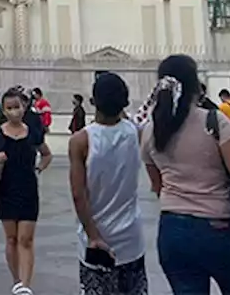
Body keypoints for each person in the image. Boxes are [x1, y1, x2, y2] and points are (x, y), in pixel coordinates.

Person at [140, 55, 230, 295]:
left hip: (173, 229)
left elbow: (157, 185)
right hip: (220, 227)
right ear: (195, 85)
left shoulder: (151, 129)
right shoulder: (213, 121)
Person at [70, 72, 147, 295]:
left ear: (93, 102)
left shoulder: (81, 140)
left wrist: (93, 235)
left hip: (96, 239)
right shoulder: (135, 133)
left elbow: (78, 194)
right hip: (131, 237)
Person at [0, 87, 52, 295]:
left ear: (24, 107)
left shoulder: (33, 132)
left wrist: (39, 167)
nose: (14, 112)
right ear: (3, 110)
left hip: (28, 188)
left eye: (17, 107)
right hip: (6, 189)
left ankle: (26, 286)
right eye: (9, 108)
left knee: (26, 239)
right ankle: (17, 279)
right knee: (11, 238)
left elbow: (46, 154)